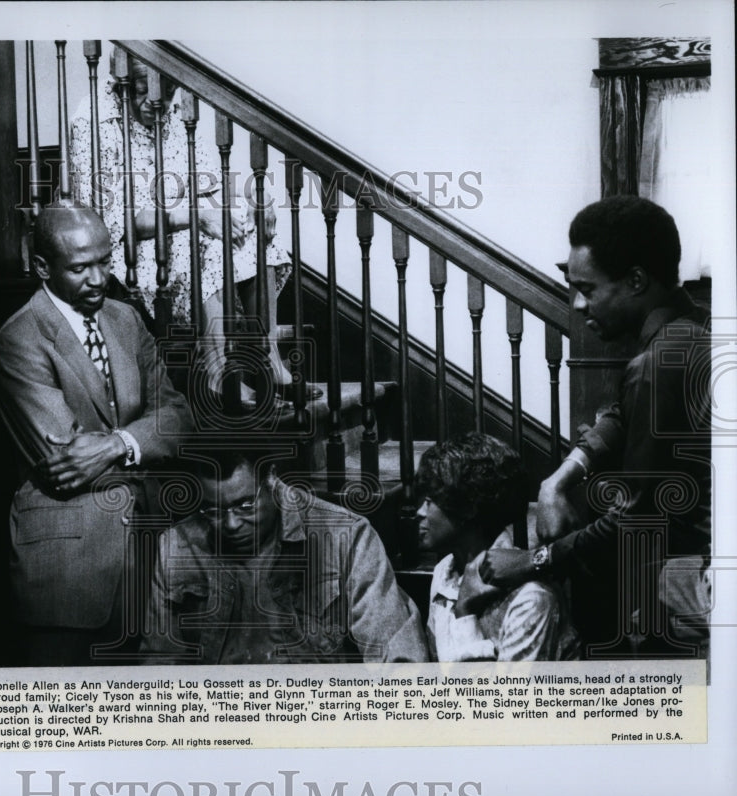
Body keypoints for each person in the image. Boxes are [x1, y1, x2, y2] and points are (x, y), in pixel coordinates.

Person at [481, 196, 712, 657]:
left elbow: (640, 519)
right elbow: (624, 413)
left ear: (636, 281)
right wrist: (560, 476)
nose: (578, 303)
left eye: (588, 288)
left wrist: (533, 561)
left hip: (696, 590)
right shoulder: (691, 330)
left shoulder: (658, 364)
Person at [0, 203, 193, 666]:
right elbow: (65, 463)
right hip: (69, 570)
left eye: (106, 261)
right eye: (81, 268)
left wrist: (116, 443)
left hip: (152, 550)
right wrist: (144, 446)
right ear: (43, 267)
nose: (99, 278)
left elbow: (178, 416)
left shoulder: (126, 319)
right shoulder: (20, 338)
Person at [71, 55, 321, 407]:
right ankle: (218, 373)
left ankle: (268, 361)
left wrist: (256, 197)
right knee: (204, 244)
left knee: (256, 236)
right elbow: (107, 222)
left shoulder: (169, 115)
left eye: (169, 94)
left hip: (183, 224)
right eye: (143, 91)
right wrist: (195, 216)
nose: (157, 104)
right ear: (121, 82)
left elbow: (210, 181)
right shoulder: (92, 120)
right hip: (135, 246)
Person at [141, 447, 429, 663]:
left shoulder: (346, 536)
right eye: (213, 511)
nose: (230, 524)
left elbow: (398, 662)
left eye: (244, 505)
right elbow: (159, 665)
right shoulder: (177, 545)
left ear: (272, 481)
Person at [416, 434, 579, 661]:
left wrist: (465, 612)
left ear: (467, 506)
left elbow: (502, 696)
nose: (419, 512)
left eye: (430, 501)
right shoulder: (445, 570)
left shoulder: (531, 599)